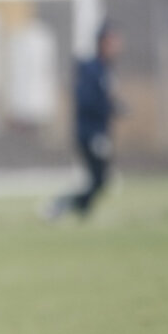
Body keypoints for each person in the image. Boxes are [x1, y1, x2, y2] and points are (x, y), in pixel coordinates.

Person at [44, 21, 122, 221]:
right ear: (103, 43)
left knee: (99, 179)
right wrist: (109, 107)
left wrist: (115, 106)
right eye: (112, 41)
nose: (117, 45)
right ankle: (60, 205)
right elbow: (86, 100)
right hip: (90, 132)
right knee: (98, 178)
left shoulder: (104, 69)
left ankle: (79, 210)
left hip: (98, 131)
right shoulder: (92, 69)